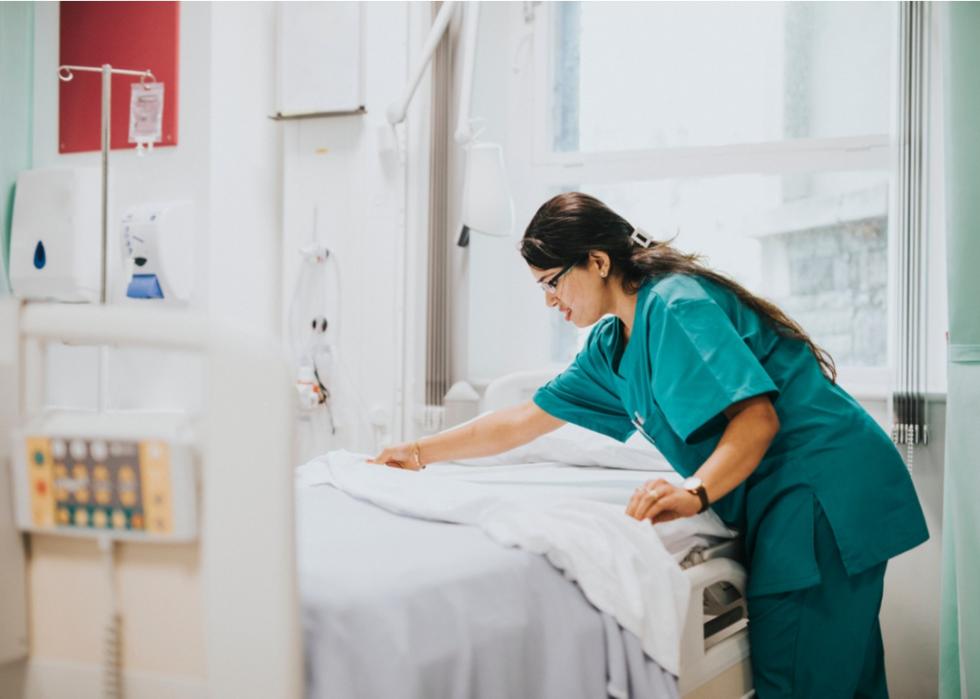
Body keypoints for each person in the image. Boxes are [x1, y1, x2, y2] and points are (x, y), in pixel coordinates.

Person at [372, 192, 928, 698]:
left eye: (551, 282)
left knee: (803, 676)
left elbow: (756, 420)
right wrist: (418, 452)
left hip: (821, 488)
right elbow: (523, 417)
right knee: (842, 677)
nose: (549, 301)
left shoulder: (675, 306)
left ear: (597, 261)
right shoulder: (612, 344)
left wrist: (694, 492)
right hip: (800, 494)